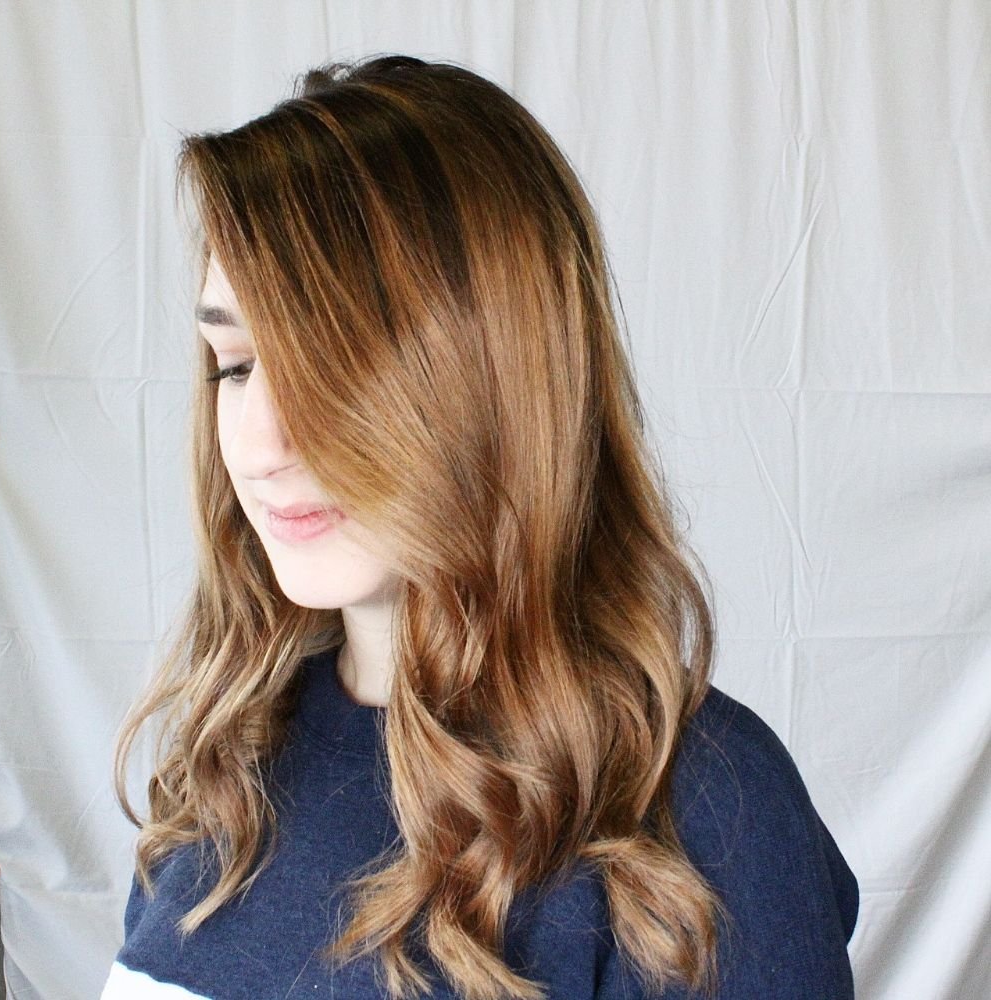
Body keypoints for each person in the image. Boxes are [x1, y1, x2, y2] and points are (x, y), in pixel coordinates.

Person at [100, 55, 858, 999]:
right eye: (237, 364)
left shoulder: (702, 816)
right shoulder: (227, 764)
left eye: (337, 364)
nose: (259, 445)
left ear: (498, 375)